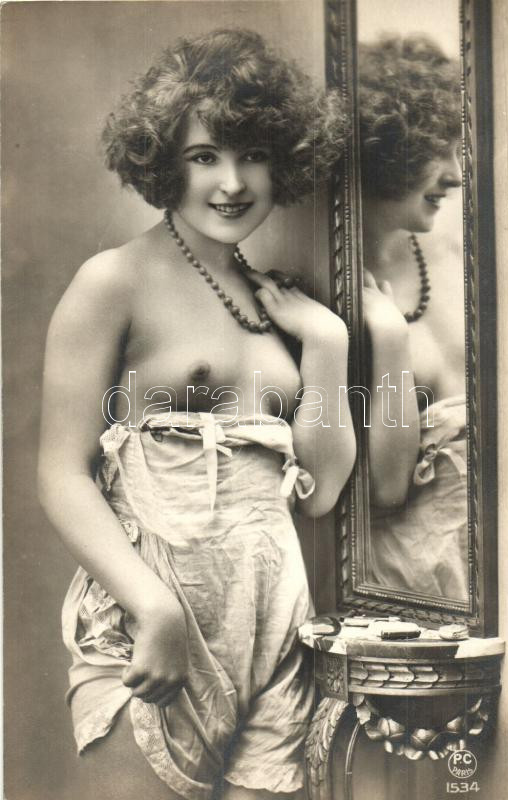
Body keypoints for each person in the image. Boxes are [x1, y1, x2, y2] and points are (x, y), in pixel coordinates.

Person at [37, 29, 356, 800]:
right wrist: (152, 606)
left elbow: (321, 490)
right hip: (152, 630)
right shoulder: (113, 281)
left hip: (275, 638)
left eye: (254, 155)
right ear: (164, 161)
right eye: (205, 156)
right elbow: (60, 473)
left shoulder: (278, 304)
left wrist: (328, 341)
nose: (233, 183)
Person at [358, 35, 468, 601]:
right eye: (436, 150)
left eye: (458, 149)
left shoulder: (461, 257)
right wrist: (389, 337)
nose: (456, 174)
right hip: (412, 586)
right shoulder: (323, 287)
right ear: (386, 148)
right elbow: (386, 489)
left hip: (497, 565)